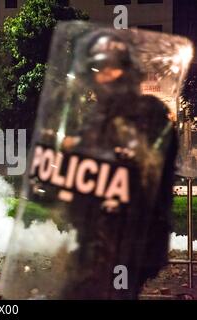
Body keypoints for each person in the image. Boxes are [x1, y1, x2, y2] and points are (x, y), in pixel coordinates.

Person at [59, 30, 177, 299]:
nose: (103, 77)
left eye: (110, 69)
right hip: (94, 237)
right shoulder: (98, 117)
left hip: (132, 238)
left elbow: (145, 166)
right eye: (99, 69)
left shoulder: (149, 112)